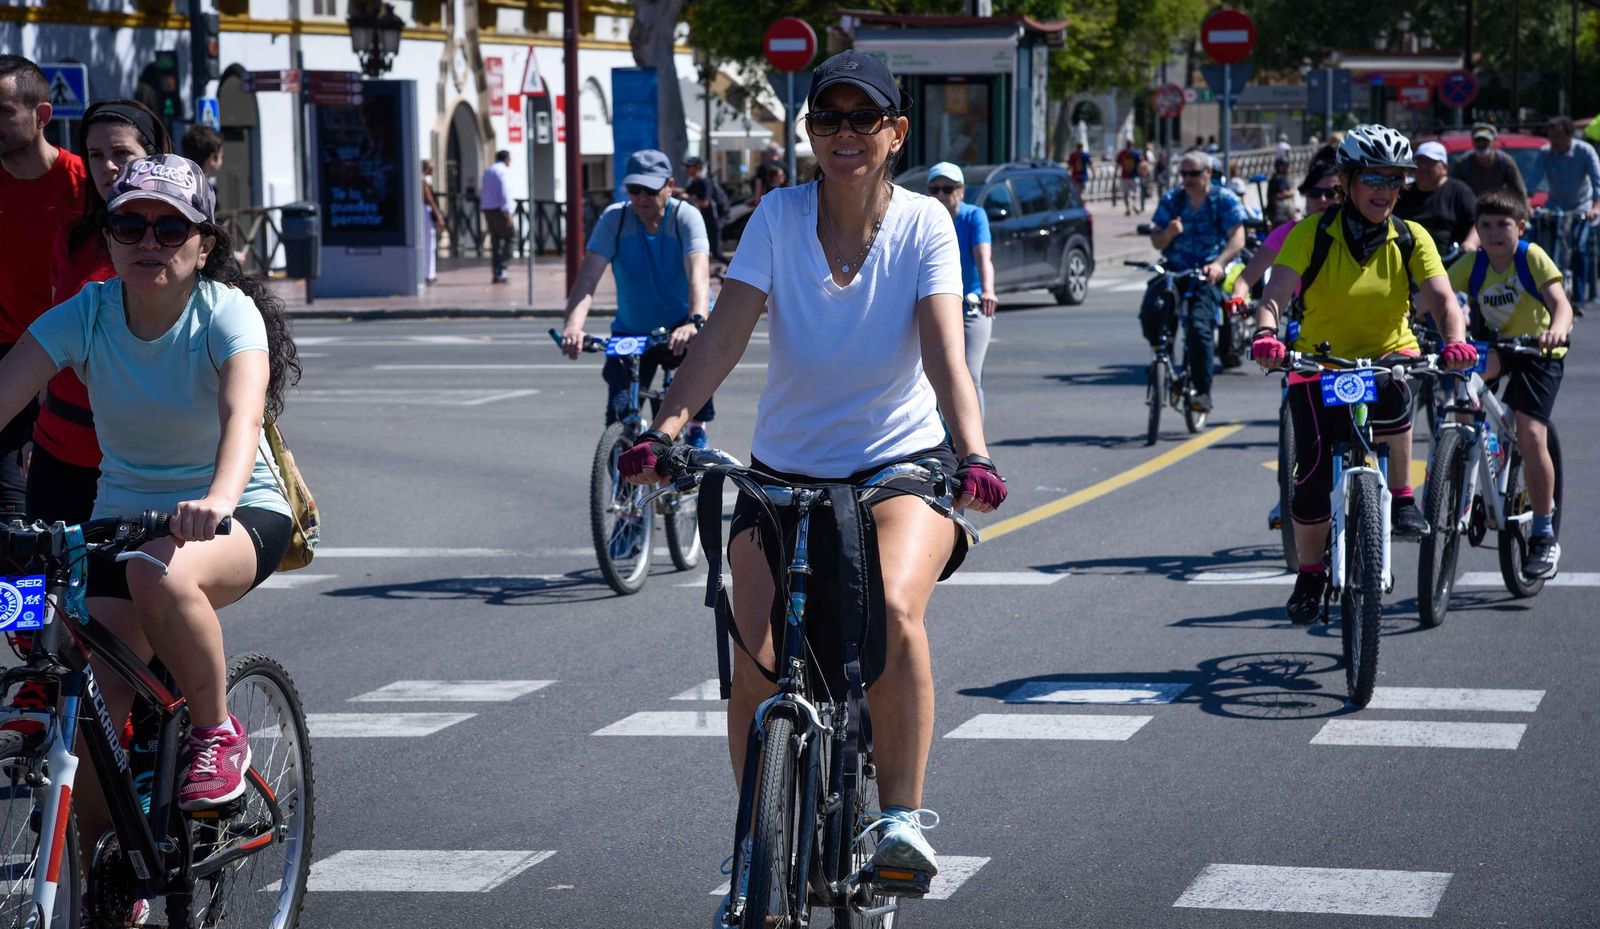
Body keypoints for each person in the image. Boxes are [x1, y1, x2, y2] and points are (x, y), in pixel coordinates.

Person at [617, 50, 1003, 905]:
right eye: (828, 118)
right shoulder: (777, 216)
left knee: (894, 613)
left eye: (864, 118)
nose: (844, 134)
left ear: (896, 133)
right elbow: (723, 335)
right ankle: (755, 839)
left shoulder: (925, 225)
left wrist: (974, 453)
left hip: (899, 469)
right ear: (810, 133)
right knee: (754, 656)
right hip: (780, 476)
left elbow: (946, 355)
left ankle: (898, 818)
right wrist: (664, 430)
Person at [0, 154, 300, 843]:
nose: (147, 242)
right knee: (88, 716)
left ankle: (216, 731)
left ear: (204, 244)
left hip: (237, 510)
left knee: (157, 573)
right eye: (129, 226)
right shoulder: (89, 313)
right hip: (123, 520)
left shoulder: (226, 313)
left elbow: (242, 419)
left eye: (170, 229)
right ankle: (113, 871)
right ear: (108, 238)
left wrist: (217, 499)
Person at [1250, 125, 1477, 623]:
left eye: (1396, 179)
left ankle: (1402, 498)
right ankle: (1311, 574)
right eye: (1374, 177)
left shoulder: (1411, 236)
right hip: (1319, 363)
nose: (1386, 189)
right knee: (1311, 479)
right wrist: (1267, 334)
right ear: (1347, 181)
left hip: (1387, 355)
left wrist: (1456, 340)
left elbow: (1443, 300)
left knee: (1397, 389)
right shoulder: (1312, 233)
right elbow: (1275, 295)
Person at [34, 100, 173, 526]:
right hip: (58, 449)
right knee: (37, 570)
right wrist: (34, 432)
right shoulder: (72, 239)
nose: (108, 167)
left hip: (144, 463)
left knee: (136, 570)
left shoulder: (180, 240)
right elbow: (50, 345)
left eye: (122, 153)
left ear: (153, 158)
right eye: (95, 155)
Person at [1447, 189, 1573, 577]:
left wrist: (1556, 330)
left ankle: (1543, 534)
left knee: (1531, 434)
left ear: (1520, 227)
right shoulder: (1473, 263)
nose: (1493, 233)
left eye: (1503, 225)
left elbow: (1561, 305)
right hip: (1499, 347)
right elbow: (1435, 297)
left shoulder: (1530, 257)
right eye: (1485, 225)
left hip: (1538, 350)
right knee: (1463, 380)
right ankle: (1467, 454)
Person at [560, 149, 715, 446]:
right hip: (632, 330)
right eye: (634, 189)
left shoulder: (685, 217)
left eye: (650, 190)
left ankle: (697, 427)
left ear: (669, 186)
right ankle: (619, 462)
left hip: (681, 323)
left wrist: (694, 321)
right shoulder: (615, 219)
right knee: (619, 409)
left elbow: (699, 273)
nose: (641, 197)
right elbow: (588, 278)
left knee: (700, 355)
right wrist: (573, 327)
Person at [0, 55, 90, 516]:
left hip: (71, 362)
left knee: (57, 513)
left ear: (42, 116)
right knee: (10, 512)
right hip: (6, 358)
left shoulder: (84, 186)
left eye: (3, 112)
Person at [1141, 151, 1248, 414]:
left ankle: (1202, 392)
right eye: (1184, 174)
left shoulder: (1223, 199)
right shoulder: (1173, 200)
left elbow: (1238, 238)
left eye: (1193, 174)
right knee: (1151, 311)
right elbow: (1156, 240)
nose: (1187, 179)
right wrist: (1168, 233)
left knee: (1200, 329)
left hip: (1207, 272)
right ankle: (1162, 357)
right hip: (1175, 269)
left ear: (1208, 173)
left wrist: (1219, 264)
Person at [927, 162, 998, 415]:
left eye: (948, 189)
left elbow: (983, 258)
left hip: (970, 306)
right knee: (931, 378)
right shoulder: (925, 219)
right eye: (934, 190)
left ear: (961, 191)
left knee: (968, 375)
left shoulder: (973, 216)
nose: (941, 195)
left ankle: (973, 438)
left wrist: (988, 290)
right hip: (936, 308)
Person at [1229, 156, 1342, 307]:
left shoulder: (1358, 233)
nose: (1322, 199)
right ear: (1306, 196)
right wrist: (1238, 297)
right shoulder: (1287, 233)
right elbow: (1247, 277)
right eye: (1315, 193)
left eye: (1331, 193)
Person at [1524, 115, 1600, 308]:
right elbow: (1531, 182)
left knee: (1579, 248)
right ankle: (1536, 290)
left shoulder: (1585, 151)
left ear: (1569, 136)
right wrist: (1527, 204)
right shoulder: (1545, 152)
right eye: (1551, 137)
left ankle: (1579, 298)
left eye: (1558, 137)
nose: (1554, 142)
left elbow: (1597, 182)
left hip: (1581, 207)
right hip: (1555, 205)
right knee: (1535, 243)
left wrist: (1595, 208)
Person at [1396, 139, 1478, 258]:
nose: (1423, 167)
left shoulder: (1459, 191)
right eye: (1419, 162)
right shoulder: (1404, 192)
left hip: (1449, 260)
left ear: (1444, 167)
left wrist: (1470, 244)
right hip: (1408, 259)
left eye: (1430, 163)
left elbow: (1478, 222)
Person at [1450, 123, 1529, 200]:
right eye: (1478, 140)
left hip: (1496, 205)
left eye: (1485, 140)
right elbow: (1453, 191)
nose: (1481, 143)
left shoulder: (1505, 162)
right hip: (1471, 205)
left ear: (1493, 142)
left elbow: (1519, 191)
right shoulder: (1462, 163)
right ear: (1473, 142)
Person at [681, 155, 729, 264]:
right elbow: (685, 191)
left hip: (714, 221)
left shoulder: (705, 182)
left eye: (689, 166)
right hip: (706, 221)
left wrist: (689, 199)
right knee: (704, 250)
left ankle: (733, 269)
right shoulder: (695, 182)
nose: (687, 169)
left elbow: (705, 203)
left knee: (715, 252)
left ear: (697, 167)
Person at [480, 148, 514, 283]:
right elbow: (505, 191)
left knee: (495, 241)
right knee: (511, 237)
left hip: (488, 209)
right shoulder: (503, 171)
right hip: (500, 209)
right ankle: (502, 268)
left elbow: (483, 190)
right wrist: (508, 212)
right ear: (506, 159)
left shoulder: (488, 170)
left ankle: (496, 270)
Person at [1267, 156, 1297, 227]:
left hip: (1284, 212)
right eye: (1284, 165)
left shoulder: (1284, 176)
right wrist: (1291, 193)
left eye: (1287, 165)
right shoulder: (1278, 178)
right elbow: (1280, 194)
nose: (1287, 167)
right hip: (1280, 213)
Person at [1115, 140, 1142, 214]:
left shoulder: (1122, 153)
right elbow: (1140, 165)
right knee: (1136, 192)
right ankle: (1134, 205)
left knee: (1126, 194)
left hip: (1125, 176)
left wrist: (1116, 173)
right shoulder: (1136, 153)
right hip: (1134, 176)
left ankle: (1128, 208)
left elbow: (1118, 165)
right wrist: (1142, 174)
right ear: (1133, 145)